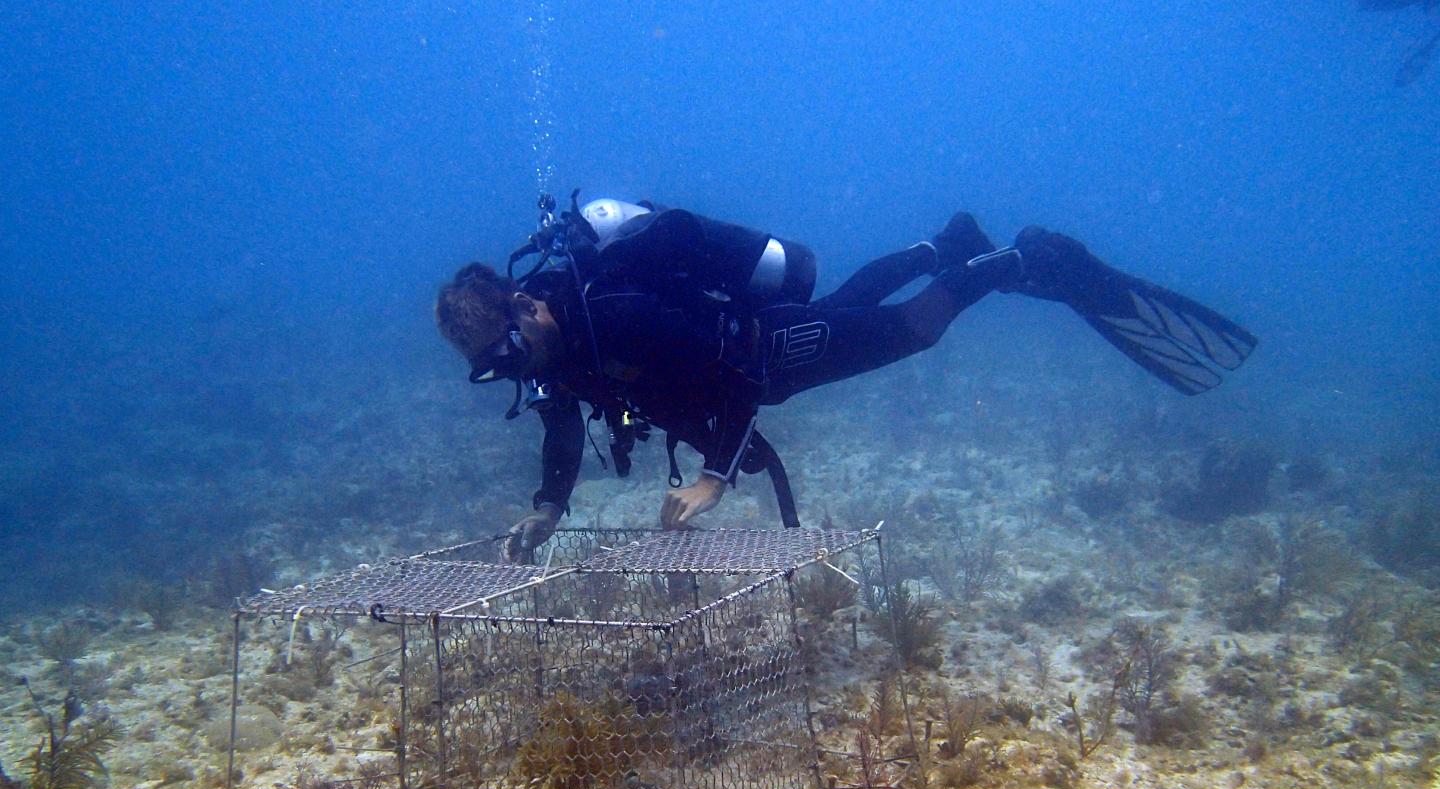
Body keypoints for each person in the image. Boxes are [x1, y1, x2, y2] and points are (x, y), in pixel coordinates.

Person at [435, 195, 1257, 562]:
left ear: (522, 307)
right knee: (852, 306)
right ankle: (947, 241)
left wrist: (718, 477)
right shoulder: (559, 346)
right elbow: (559, 419)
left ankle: (1021, 257)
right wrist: (548, 506)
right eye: (491, 372)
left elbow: (732, 381)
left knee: (914, 329)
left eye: (505, 354)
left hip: (769, 351)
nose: (512, 373)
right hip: (768, 348)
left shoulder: (612, 314)